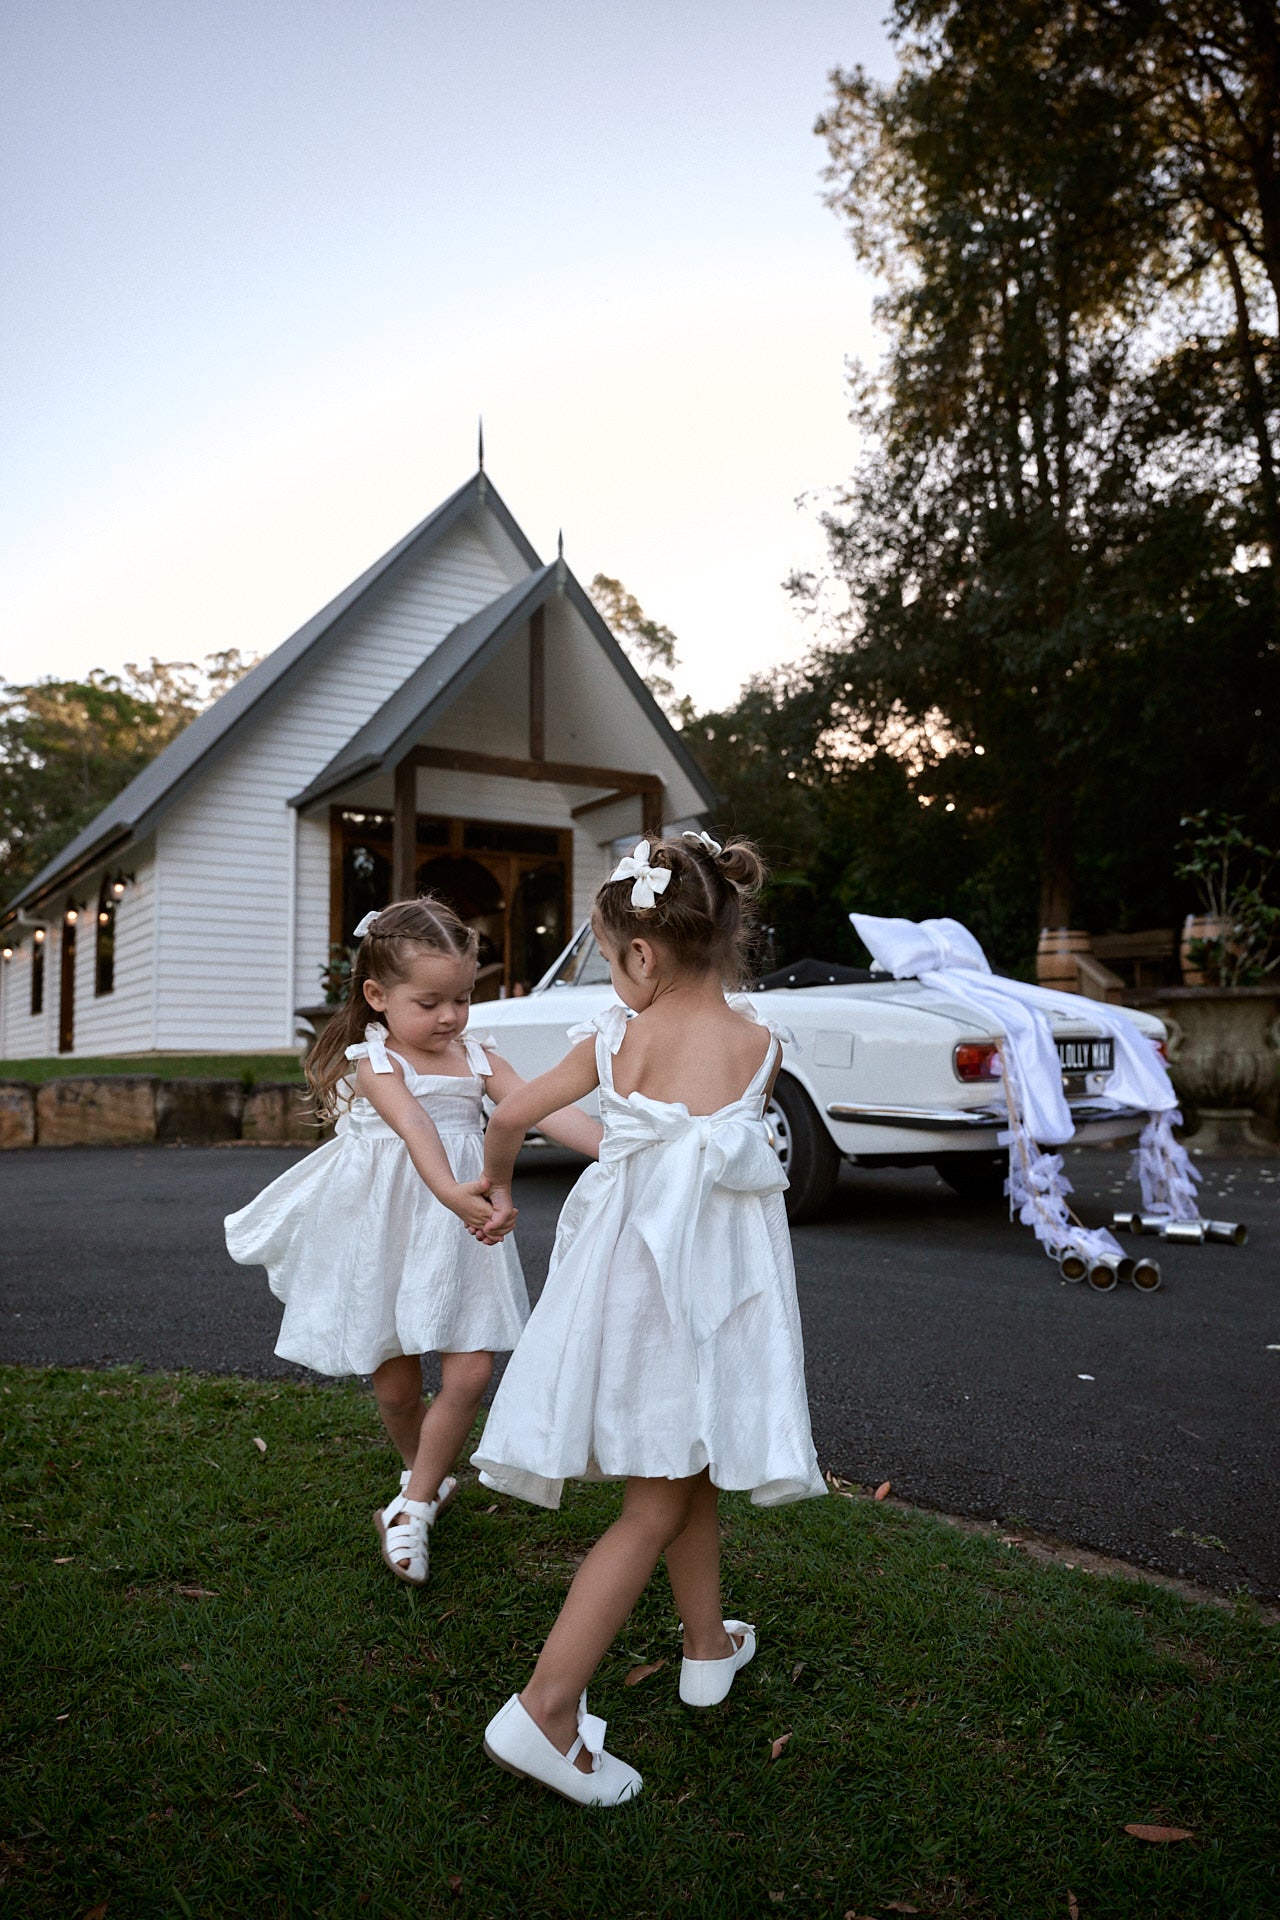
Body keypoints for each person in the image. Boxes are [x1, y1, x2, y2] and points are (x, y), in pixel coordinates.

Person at [471, 833, 825, 1807]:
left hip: (627, 1297)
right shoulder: (760, 1047)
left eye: (605, 953)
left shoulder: (615, 1038)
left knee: (683, 1462)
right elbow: (667, 1148)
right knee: (656, 1498)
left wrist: (494, 1191)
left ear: (641, 955)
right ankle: (545, 1710)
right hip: (703, 1300)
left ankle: (706, 1647)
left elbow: (520, 1124)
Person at [224, 895, 600, 1588]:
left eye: (462, 998)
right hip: (390, 1228)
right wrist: (454, 1191)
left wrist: (615, 1146)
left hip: (460, 1231)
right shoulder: (375, 1062)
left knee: (469, 1373)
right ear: (378, 995)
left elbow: (536, 1106)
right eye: (430, 1002)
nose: (451, 1017)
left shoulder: (477, 1053)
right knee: (396, 1387)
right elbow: (417, 1131)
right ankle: (419, 1475)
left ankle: (414, 1506)